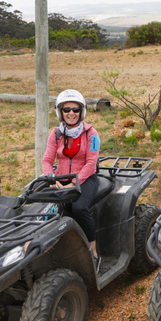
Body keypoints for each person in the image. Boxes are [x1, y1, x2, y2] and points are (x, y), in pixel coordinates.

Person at [42, 89, 101, 262]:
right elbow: (47, 160)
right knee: (46, 208)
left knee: (79, 208)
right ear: (60, 112)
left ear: (81, 112)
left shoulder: (92, 134)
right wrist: (51, 178)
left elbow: (91, 164)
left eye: (75, 109)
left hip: (85, 178)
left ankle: (93, 250)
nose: (71, 113)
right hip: (60, 179)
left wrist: (73, 183)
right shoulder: (56, 133)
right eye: (66, 109)